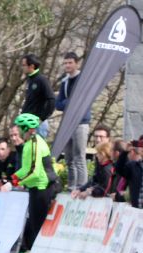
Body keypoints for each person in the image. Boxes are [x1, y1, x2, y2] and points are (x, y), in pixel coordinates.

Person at [12, 113, 60, 253]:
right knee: (33, 223)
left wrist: (13, 181)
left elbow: (33, 171)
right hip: (36, 187)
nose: (18, 131)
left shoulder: (34, 144)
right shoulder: (30, 143)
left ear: (27, 128)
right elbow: (25, 169)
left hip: (42, 187)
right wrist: (10, 179)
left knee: (38, 224)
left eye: (20, 128)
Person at [56, 52, 91, 190]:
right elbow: (58, 104)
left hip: (80, 121)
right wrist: (69, 102)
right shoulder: (64, 81)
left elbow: (81, 101)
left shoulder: (83, 79)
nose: (67, 65)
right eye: (65, 63)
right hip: (67, 122)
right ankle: (71, 186)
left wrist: (69, 103)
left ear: (76, 63)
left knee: (79, 156)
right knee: (69, 158)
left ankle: (82, 187)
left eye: (70, 62)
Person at [19, 54, 56, 139]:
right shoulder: (30, 80)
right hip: (28, 123)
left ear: (31, 66)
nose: (22, 67)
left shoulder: (41, 80)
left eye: (24, 65)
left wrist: (41, 119)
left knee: (36, 151)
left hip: (37, 125)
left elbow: (52, 100)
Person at [115, 135, 143, 208]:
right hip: (137, 210)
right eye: (142, 145)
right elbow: (119, 169)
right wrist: (125, 152)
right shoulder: (132, 166)